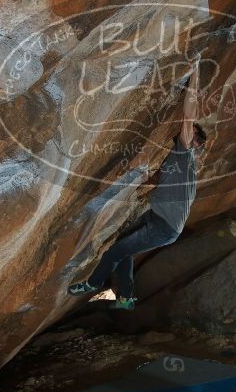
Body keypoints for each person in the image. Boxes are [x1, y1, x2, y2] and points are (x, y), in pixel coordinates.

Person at [67, 60, 207, 310]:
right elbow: (162, 183)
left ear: (195, 142)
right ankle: (127, 297)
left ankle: (92, 283)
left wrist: (195, 76)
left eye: (191, 133)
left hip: (163, 226)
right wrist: (144, 179)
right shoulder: (181, 164)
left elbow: (189, 114)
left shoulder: (185, 154)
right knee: (124, 246)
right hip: (159, 220)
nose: (185, 131)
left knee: (114, 253)